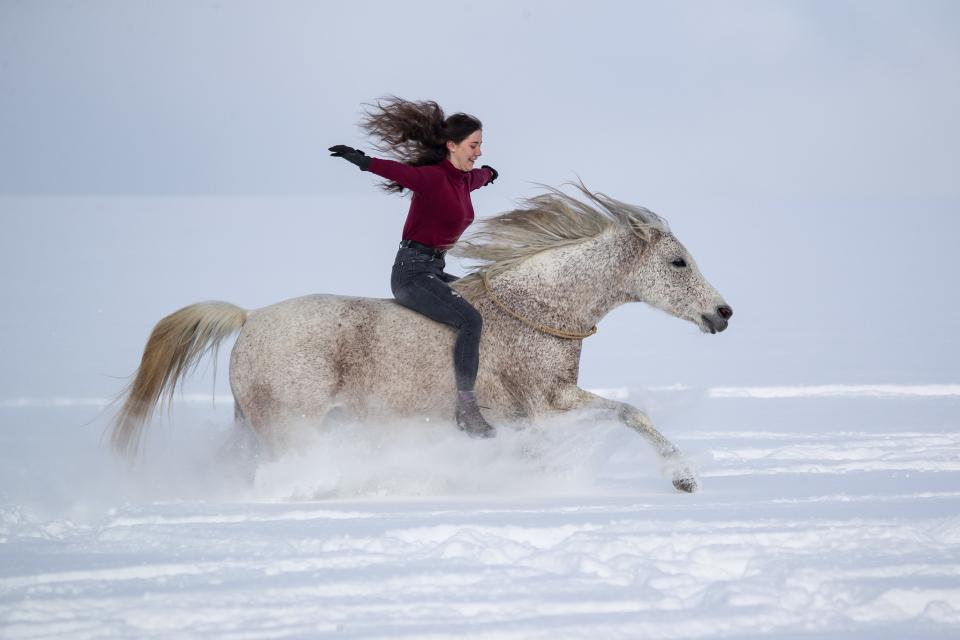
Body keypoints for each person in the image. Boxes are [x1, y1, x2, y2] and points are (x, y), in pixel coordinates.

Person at [329, 98, 499, 438]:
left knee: (486, 298)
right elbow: (398, 172)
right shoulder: (432, 179)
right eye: (474, 145)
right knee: (470, 319)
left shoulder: (465, 180)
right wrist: (361, 161)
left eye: (481, 145)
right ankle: (465, 407)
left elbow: (479, 176)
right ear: (452, 145)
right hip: (412, 273)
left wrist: (490, 174)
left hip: (435, 269)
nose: (479, 152)